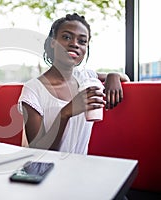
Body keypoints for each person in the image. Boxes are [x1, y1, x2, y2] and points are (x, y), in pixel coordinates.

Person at [18, 13, 130, 154]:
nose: (74, 44)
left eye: (82, 41)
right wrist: (65, 113)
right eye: (66, 37)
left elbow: (124, 77)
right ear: (53, 42)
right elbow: (38, 150)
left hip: (77, 168)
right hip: (44, 173)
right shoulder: (33, 89)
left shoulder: (86, 78)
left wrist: (113, 76)